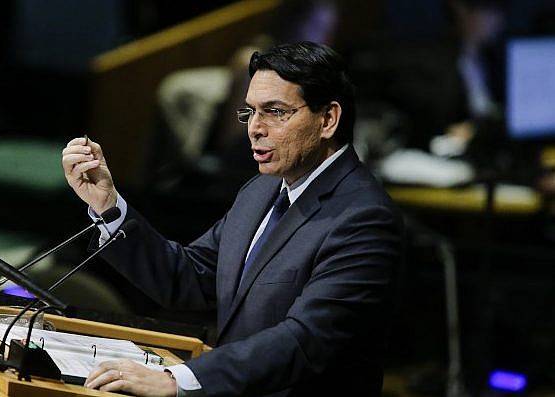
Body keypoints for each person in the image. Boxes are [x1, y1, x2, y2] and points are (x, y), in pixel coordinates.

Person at [62, 42, 402, 397]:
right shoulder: (261, 191)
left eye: (275, 112)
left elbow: (305, 339)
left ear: (328, 119)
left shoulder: (364, 218)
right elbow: (187, 278)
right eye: (250, 112)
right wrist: (107, 205)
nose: (255, 128)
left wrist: (177, 379)